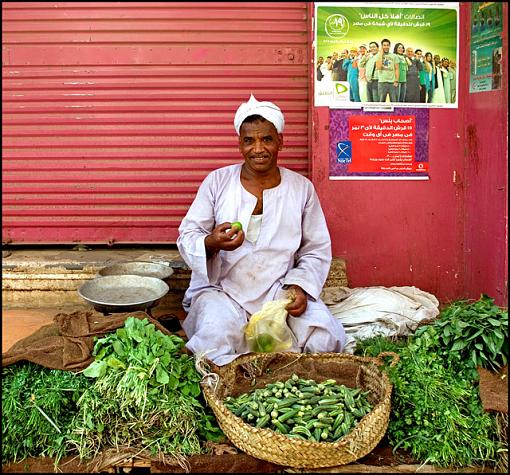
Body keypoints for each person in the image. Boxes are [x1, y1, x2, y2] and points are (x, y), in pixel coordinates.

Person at [176, 94, 347, 366]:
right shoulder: (217, 181)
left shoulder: (300, 188)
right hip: (223, 291)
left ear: (280, 141)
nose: (258, 148)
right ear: (239, 144)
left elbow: (315, 249)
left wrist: (300, 286)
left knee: (324, 336)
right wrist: (212, 242)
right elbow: (188, 235)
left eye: (266, 139)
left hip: (277, 291)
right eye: (249, 140)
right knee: (214, 338)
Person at [376, 38, 399, 103]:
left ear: (389, 46)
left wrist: (396, 80)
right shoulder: (378, 56)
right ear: (382, 46)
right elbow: (379, 67)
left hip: (392, 82)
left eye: (387, 45)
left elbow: (397, 69)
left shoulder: (394, 56)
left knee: (394, 102)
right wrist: (381, 54)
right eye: (384, 45)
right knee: (381, 102)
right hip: (382, 82)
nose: (386, 47)